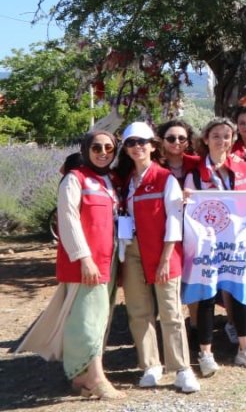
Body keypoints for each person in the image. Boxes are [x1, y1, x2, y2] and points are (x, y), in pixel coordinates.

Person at [17, 131, 125, 399]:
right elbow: (68, 219)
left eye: (109, 148)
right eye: (97, 147)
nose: (103, 152)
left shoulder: (109, 180)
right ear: (86, 149)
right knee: (87, 319)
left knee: (100, 317)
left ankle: (80, 377)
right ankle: (95, 379)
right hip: (87, 263)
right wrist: (83, 257)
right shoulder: (74, 179)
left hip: (108, 260)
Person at [116, 122, 198, 390]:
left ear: (153, 146)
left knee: (171, 312)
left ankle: (182, 369)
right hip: (133, 251)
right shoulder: (126, 181)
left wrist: (165, 259)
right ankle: (150, 365)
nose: (137, 147)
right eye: (131, 143)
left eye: (142, 142)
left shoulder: (165, 178)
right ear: (126, 149)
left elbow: (174, 220)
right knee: (138, 311)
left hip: (164, 252)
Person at [184, 117, 246, 375]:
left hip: (235, 243)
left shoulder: (242, 168)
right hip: (207, 244)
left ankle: (245, 349)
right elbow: (187, 207)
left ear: (233, 140)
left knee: (239, 292)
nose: (222, 140)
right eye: (216, 135)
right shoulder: (195, 173)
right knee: (206, 296)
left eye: (227, 136)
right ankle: (205, 354)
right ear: (206, 139)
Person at [156, 119, 200, 183]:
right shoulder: (154, 166)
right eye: (171, 138)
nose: (177, 142)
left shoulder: (197, 163)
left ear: (188, 142)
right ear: (162, 141)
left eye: (181, 138)